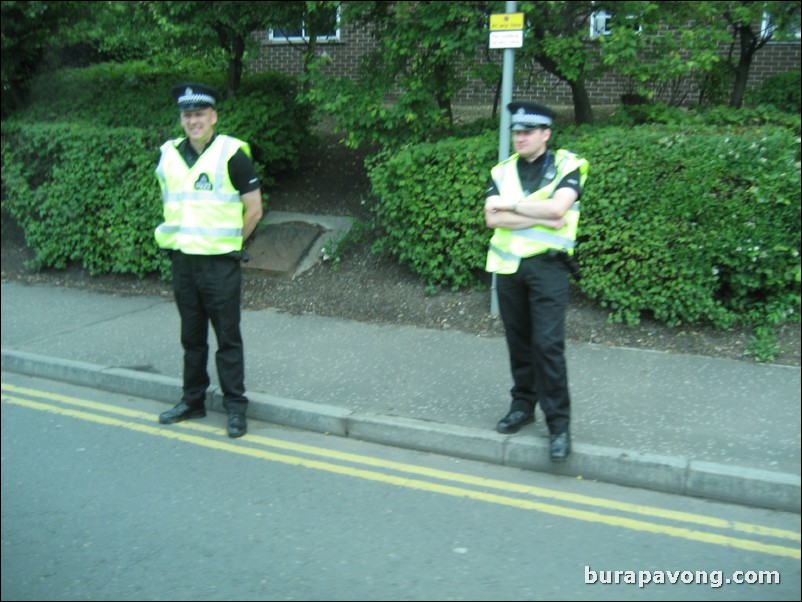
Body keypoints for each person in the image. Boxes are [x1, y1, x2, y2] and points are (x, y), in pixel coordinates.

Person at [155, 82, 263, 438]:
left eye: (199, 114)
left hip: (220, 265)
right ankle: (193, 401)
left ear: (213, 116)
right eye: (187, 115)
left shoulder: (233, 154)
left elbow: (254, 210)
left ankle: (235, 407)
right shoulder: (169, 154)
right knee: (192, 337)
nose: (193, 120)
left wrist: (234, 244)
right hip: (184, 264)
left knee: (228, 338)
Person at [484, 100, 589, 462]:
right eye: (516, 131)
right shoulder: (501, 172)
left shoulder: (568, 166)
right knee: (520, 343)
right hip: (510, 269)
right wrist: (536, 214)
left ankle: (559, 426)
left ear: (546, 134)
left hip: (549, 269)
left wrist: (510, 207)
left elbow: (559, 210)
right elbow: (491, 220)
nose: (520, 137)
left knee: (547, 345)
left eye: (527, 131)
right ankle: (523, 406)